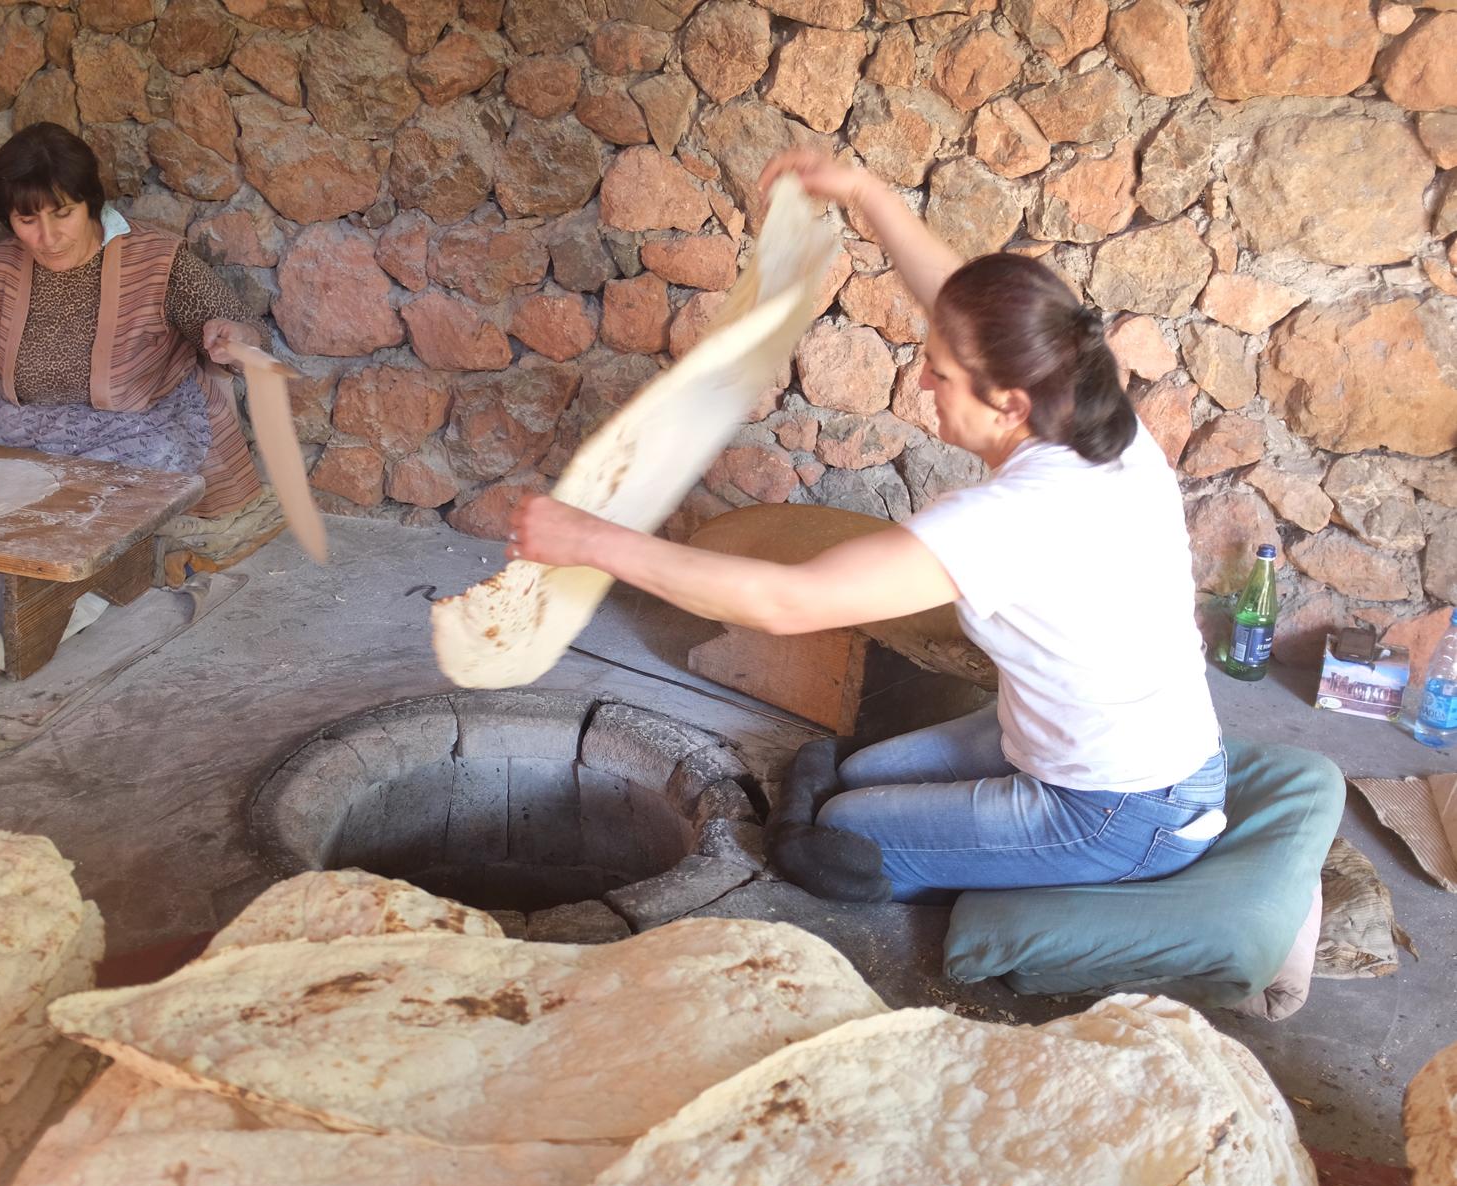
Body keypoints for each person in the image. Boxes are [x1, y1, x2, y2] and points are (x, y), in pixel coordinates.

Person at [506, 150, 1228, 904]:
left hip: (1123, 808)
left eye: (940, 373)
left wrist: (592, 542)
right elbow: (960, 303)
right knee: (854, 772)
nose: (921, 381)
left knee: (841, 830)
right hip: (1107, 751)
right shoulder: (1091, 408)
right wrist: (865, 194)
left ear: (1010, 402)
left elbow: (788, 602)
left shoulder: (1015, 519)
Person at [0, 122, 280, 567]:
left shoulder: (157, 259)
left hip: (138, 434)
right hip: (26, 437)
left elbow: (250, 333)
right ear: (9, 221)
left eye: (63, 213)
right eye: (27, 220)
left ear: (90, 204)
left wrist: (237, 341)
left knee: (70, 537)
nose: (48, 236)